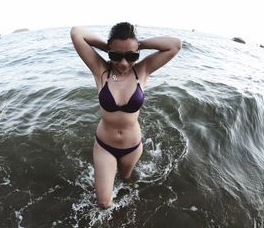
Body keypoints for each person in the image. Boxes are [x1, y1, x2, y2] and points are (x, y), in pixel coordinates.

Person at [70, 22, 182, 208]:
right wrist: (109, 46)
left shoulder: (142, 70)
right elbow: (76, 33)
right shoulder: (101, 70)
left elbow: (175, 45)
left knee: (125, 181)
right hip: (105, 146)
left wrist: (140, 44)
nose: (123, 63)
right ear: (109, 53)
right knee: (104, 203)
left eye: (131, 56)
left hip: (133, 148)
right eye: (116, 56)